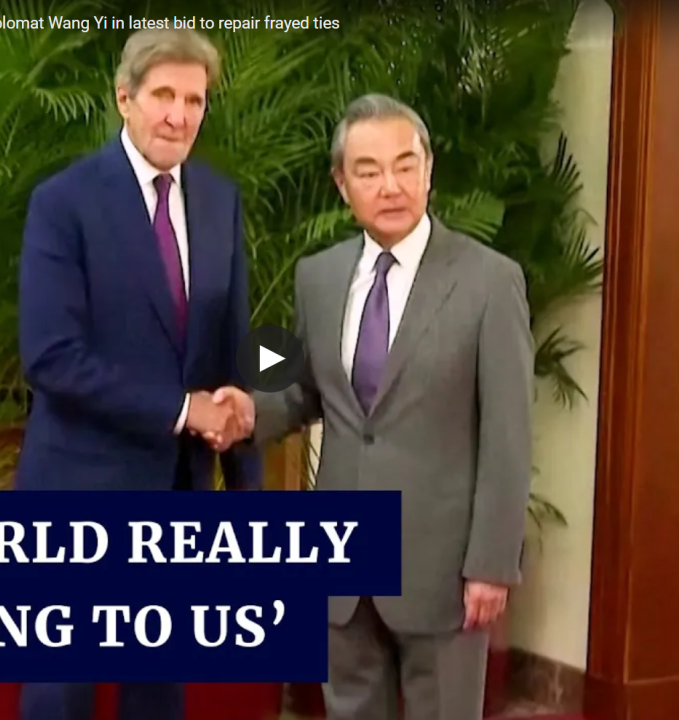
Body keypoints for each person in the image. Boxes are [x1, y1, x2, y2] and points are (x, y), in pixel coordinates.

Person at [212, 93, 534, 720]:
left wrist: (492, 563)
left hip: (443, 569)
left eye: (405, 165)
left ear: (428, 170)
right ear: (343, 185)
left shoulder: (490, 281)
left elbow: (509, 436)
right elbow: (302, 386)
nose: (391, 186)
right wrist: (246, 410)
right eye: (369, 171)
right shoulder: (319, 276)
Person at [14, 27, 260, 720]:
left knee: (157, 696)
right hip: (76, 497)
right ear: (125, 99)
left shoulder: (219, 199)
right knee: (61, 696)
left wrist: (247, 485)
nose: (179, 116)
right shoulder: (64, 202)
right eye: (163, 96)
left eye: (194, 100)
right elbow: (51, 356)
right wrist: (182, 410)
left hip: (177, 497)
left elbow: (232, 347)